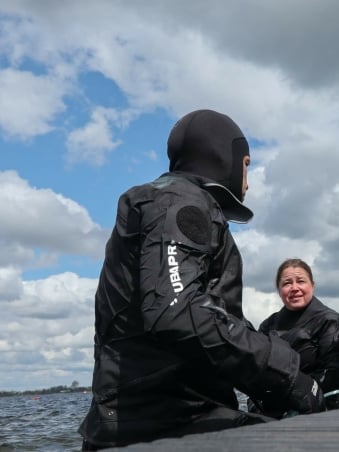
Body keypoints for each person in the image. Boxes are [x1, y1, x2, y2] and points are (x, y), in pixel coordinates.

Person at [78, 109, 325, 450]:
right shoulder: (179, 202)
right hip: (160, 424)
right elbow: (176, 311)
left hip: (157, 417)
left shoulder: (170, 202)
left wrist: (272, 376)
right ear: (226, 157)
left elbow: (211, 316)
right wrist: (283, 373)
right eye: (247, 165)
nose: (248, 181)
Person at [249, 258, 339, 418]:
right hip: (274, 414)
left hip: (326, 412)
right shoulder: (267, 326)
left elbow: (329, 381)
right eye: (286, 283)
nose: (294, 288)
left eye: (301, 281)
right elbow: (255, 373)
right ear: (278, 289)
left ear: (312, 285)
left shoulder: (332, 322)